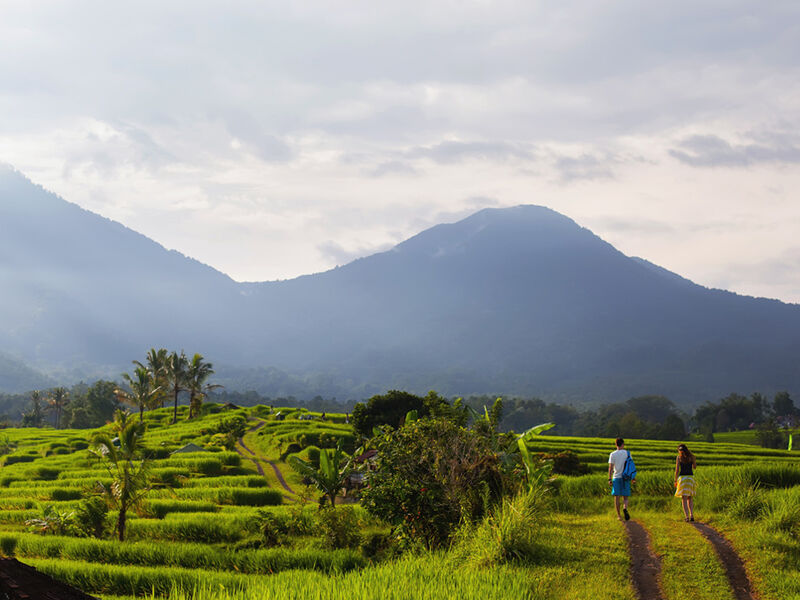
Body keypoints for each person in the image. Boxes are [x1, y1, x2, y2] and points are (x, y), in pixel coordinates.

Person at [608, 437, 635, 521]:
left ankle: (619, 516)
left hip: (616, 477)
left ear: (616, 444)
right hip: (626, 477)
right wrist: (633, 478)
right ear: (623, 444)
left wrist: (609, 478)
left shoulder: (612, 454)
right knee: (625, 497)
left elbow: (611, 468)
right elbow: (631, 466)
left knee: (617, 497)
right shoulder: (627, 453)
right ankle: (625, 508)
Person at [674, 443, 697, 522]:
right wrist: (693, 461)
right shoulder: (691, 457)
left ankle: (686, 517)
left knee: (683, 498)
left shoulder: (679, 457)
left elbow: (677, 470)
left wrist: (675, 480)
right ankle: (692, 515)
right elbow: (694, 467)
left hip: (683, 478)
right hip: (690, 478)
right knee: (690, 497)